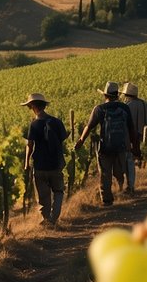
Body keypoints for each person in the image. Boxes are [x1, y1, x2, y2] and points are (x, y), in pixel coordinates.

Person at [74, 82, 138, 206]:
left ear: (105, 95)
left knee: (105, 173)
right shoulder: (125, 108)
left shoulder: (99, 109)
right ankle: (120, 188)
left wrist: (81, 140)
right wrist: (135, 146)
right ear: (117, 95)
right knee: (119, 171)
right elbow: (131, 128)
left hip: (105, 147)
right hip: (121, 147)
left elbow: (89, 126)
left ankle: (107, 199)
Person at [22, 93, 67, 226]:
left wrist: (26, 163)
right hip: (56, 164)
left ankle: (46, 219)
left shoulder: (34, 125)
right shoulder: (57, 122)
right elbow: (62, 140)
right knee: (58, 191)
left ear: (33, 107)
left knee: (43, 195)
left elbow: (30, 145)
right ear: (44, 106)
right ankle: (54, 218)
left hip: (40, 165)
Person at [120, 82, 147, 195]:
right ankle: (130, 185)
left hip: (130, 137)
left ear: (126, 94)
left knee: (128, 161)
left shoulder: (127, 106)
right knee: (131, 160)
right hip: (142, 135)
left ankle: (129, 186)